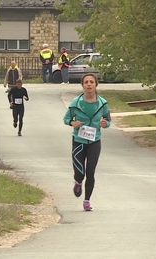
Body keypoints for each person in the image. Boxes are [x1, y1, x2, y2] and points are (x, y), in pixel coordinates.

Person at [63, 73, 111, 211]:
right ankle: (78, 181)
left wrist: (104, 123)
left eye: (91, 82)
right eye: (86, 82)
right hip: (79, 141)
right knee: (80, 172)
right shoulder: (76, 103)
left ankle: (87, 200)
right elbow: (66, 119)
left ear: (96, 84)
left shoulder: (102, 103)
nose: (89, 84)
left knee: (90, 171)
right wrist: (73, 122)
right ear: (83, 85)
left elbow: (108, 120)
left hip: (95, 142)